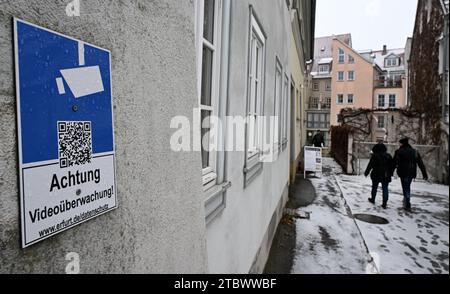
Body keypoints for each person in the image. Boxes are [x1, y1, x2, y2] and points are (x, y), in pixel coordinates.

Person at [392, 138, 428, 211]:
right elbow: (420, 163)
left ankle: (407, 201)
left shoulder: (398, 152)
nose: (399, 145)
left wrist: (390, 172)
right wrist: (424, 174)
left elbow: (394, 163)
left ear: (402, 144)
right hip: (411, 172)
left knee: (405, 187)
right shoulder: (415, 152)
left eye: (400, 143)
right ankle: (406, 199)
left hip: (402, 172)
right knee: (407, 185)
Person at [365, 142, 393, 209]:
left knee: (374, 187)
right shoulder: (388, 156)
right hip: (386, 175)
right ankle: (384, 203)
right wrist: (390, 173)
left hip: (376, 173)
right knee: (385, 188)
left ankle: (373, 199)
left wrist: (367, 172)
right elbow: (392, 166)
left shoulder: (375, 156)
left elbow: (370, 165)